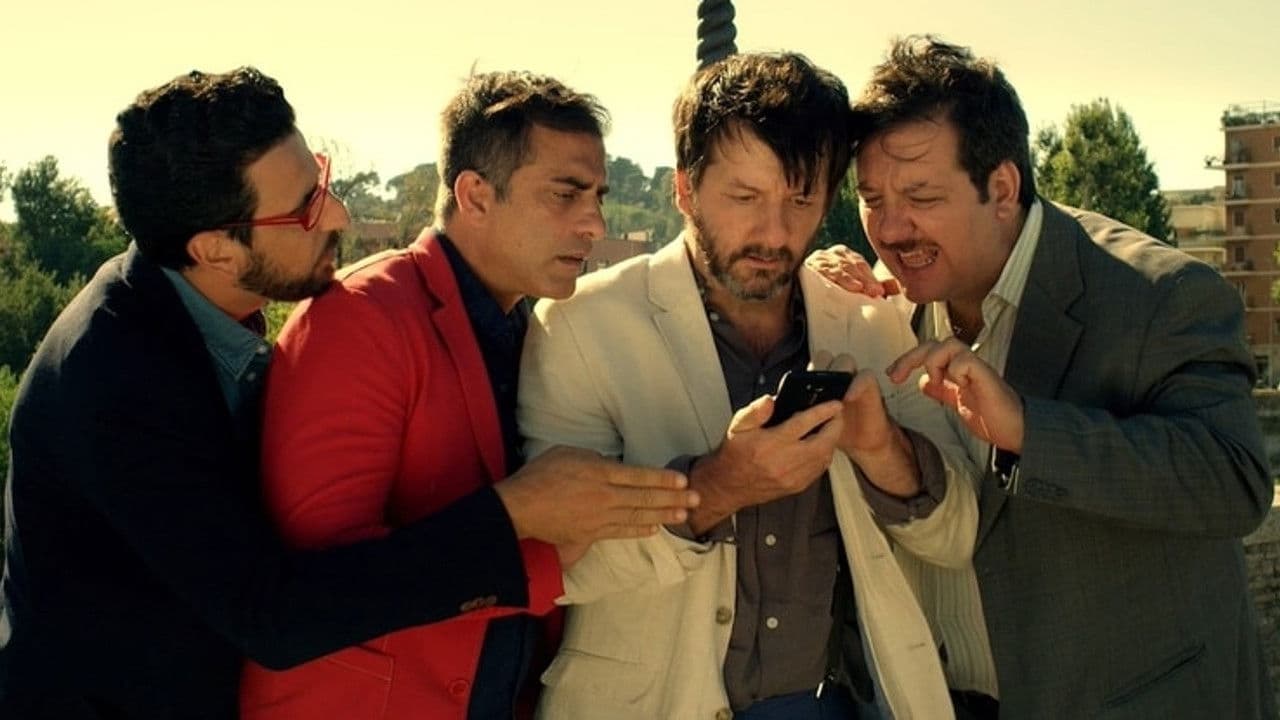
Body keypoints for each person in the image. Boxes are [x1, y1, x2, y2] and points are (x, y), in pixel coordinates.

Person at [0, 67, 696, 720]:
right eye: (302, 210)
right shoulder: (116, 382)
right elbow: (274, 616)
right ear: (215, 250)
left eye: (321, 180)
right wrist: (513, 515)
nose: (336, 214)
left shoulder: (193, 312)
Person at [518, 52, 979, 720]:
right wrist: (717, 486)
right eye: (744, 197)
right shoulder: (578, 325)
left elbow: (958, 538)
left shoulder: (871, 326)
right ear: (684, 189)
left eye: (801, 200)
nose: (774, 233)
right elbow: (558, 567)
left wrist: (884, 451)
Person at [830, 35, 1274, 719]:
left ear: (1002, 189)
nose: (889, 228)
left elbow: (1234, 483)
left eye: (920, 195)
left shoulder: (1160, 294)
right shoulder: (888, 304)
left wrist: (1030, 432)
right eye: (870, 197)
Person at [234, 71, 700, 720]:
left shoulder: (534, 328)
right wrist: (517, 515)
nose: (594, 224)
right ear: (475, 195)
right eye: (565, 195)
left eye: (597, 197)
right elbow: (321, 589)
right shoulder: (361, 318)